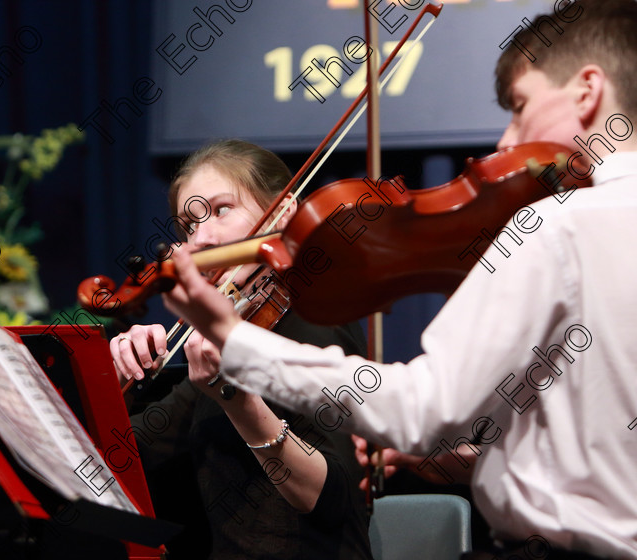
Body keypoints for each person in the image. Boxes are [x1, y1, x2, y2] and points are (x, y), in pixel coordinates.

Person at [161, 1, 637, 558]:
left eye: (520, 106)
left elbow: (422, 409)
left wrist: (235, 339)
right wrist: (486, 458)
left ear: (586, 91)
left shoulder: (556, 225)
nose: (507, 140)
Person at [109, 140, 374, 559]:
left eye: (221, 210)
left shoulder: (318, 318)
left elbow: (332, 498)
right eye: (189, 225)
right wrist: (117, 382)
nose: (204, 238)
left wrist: (238, 401)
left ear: (284, 212)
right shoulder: (219, 343)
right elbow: (126, 457)